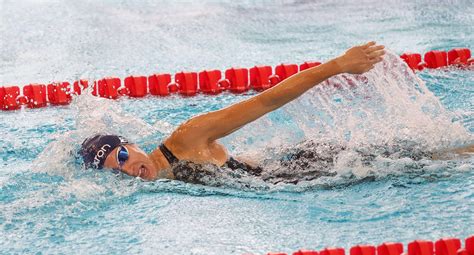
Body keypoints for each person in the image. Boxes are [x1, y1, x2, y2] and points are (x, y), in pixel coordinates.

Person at [79, 41, 388, 181]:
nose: (127, 168)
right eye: (116, 171)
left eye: (122, 157)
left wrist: (338, 65)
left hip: (314, 167)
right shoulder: (163, 181)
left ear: (131, 145)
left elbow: (268, 101)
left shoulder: (187, 139)